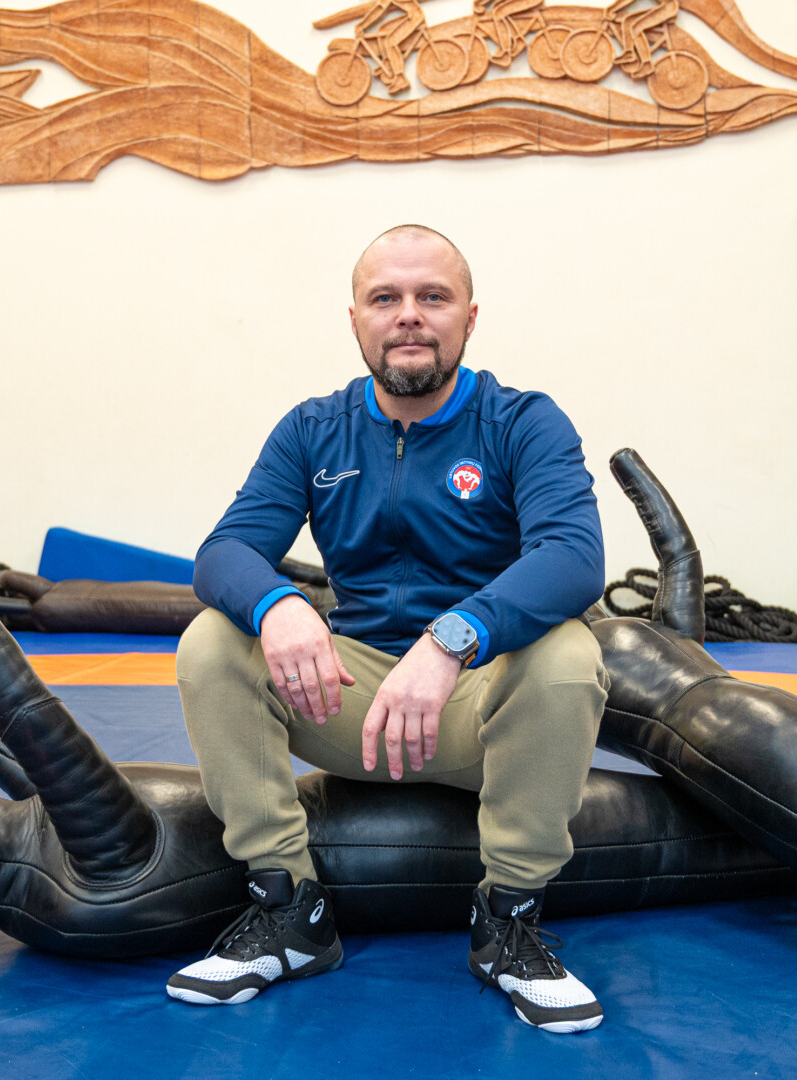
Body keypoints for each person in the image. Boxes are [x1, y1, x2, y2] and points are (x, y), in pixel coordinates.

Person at [166, 225, 611, 1033]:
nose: (409, 314)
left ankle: (508, 923)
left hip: (480, 709)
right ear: (356, 320)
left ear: (469, 317)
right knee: (211, 640)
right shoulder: (313, 429)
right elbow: (224, 552)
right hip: (354, 704)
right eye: (386, 298)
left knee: (568, 655)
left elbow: (575, 558)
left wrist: (451, 640)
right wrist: (279, 605)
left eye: (432, 296)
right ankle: (289, 913)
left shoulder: (523, 421)